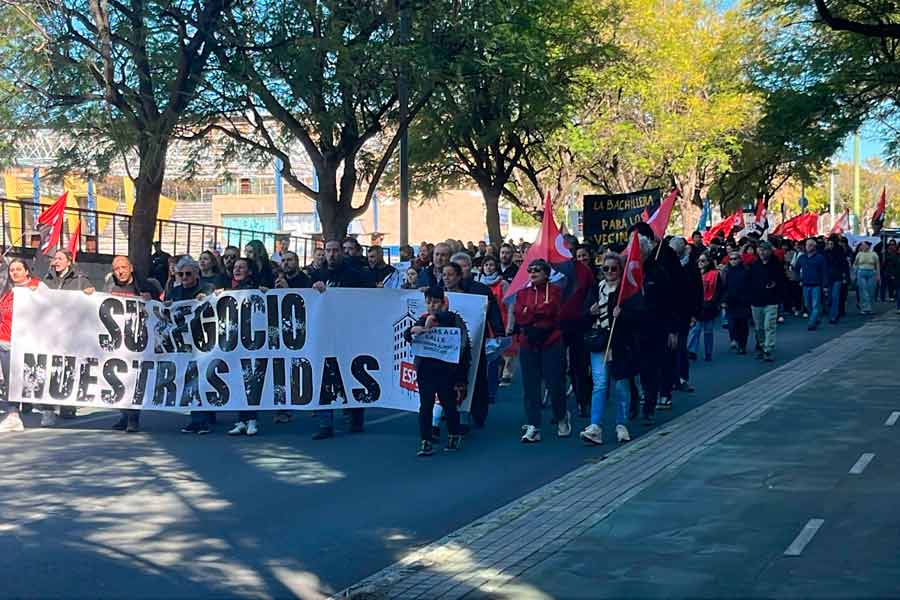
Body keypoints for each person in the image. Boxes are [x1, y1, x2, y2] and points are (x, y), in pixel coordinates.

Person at [309, 239, 372, 440]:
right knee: (323, 376)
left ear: (342, 253)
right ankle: (324, 423)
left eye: (336, 251)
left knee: (352, 374)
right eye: (328, 250)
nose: (332, 254)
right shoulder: (318, 274)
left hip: (349, 333)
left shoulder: (355, 275)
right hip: (324, 334)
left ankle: (356, 417)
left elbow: (369, 299)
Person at [580, 252, 639, 446]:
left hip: (619, 344)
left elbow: (641, 315)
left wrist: (623, 314)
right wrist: (590, 312)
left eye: (614, 268)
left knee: (621, 385)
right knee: (600, 384)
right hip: (600, 342)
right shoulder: (596, 289)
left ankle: (621, 424)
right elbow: (584, 314)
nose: (610, 272)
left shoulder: (627, 291)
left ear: (620, 270)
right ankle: (595, 426)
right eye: (606, 268)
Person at [405, 287, 471, 456]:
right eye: (429, 302)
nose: (432, 306)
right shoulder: (422, 319)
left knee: (448, 404)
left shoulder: (452, 319)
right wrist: (413, 331)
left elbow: (461, 342)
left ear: (443, 303)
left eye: (435, 302)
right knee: (425, 405)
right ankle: (425, 441)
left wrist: (434, 318)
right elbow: (409, 333)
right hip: (425, 369)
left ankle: (453, 434)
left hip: (446, 370)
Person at [104, 256, 164, 432]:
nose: (120, 271)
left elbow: (163, 309)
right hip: (118, 341)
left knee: (135, 378)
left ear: (131, 268)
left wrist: (151, 299)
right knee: (120, 378)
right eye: (116, 269)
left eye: (123, 267)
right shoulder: (110, 287)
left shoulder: (146, 286)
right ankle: (124, 415)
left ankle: (133, 418)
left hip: (140, 341)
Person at [513, 259, 567, 443]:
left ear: (546, 273)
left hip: (551, 341)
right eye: (530, 270)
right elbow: (520, 315)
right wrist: (537, 313)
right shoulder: (522, 293)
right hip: (529, 343)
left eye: (537, 270)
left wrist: (533, 312)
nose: (533, 273)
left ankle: (561, 416)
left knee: (555, 383)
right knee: (530, 386)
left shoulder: (556, 291)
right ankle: (534, 425)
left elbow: (554, 310)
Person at [629, 223, 676, 424]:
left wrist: (672, 330)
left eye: (640, 251)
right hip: (631, 329)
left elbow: (670, 302)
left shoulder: (658, 273)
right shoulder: (627, 273)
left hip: (654, 329)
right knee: (630, 370)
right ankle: (632, 404)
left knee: (650, 370)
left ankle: (648, 407)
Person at [451, 252, 505, 429]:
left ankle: (478, 413)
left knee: (477, 377)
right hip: (451, 345)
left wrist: (498, 332)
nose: (460, 271)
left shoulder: (480, 289)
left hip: (476, 342)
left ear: (469, 268)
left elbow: (493, 313)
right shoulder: (446, 289)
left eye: (463, 267)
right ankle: (453, 412)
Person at [43, 249, 95, 423]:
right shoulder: (47, 279)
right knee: (50, 367)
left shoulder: (81, 280)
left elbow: (91, 301)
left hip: (73, 333)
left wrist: (90, 293)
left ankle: (67, 405)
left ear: (69, 261)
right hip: (51, 332)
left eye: (59, 258)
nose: (55, 262)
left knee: (69, 367)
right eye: (54, 259)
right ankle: (48, 408)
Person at [0, 259, 47, 433]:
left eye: (19, 269)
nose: (15, 273)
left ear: (27, 271)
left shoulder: (38, 286)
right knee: (10, 382)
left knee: (34, 378)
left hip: (29, 343)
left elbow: (56, 307)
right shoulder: (7, 290)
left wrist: (38, 296)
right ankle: (13, 415)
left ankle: (47, 410)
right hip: (5, 343)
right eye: (12, 270)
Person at [226, 258, 264, 436]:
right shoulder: (231, 291)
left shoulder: (257, 289)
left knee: (252, 380)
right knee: (239, 380)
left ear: (249, 271)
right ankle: (240, 420)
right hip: (236, 341)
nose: (237, 270)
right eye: (235, 267)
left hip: (253, 341)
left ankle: (252, 419)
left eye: (241, 267)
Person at [559, 247, 596, 418]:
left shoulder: (584, 271)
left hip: (578, 324)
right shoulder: (553, 269)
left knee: (579, 366)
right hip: (557, 325)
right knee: (557, 368)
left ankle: (583, 402)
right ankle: (559, 408)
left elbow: (590, 295)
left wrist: (586, 315)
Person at [667, 236, 703, 392]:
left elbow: (697, 291)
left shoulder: (691, 267)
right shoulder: (666, 266)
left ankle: (682, 378)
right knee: (669, 348)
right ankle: (671, 378)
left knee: (680, 346)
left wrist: (695, 313)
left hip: (684, 313)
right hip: (668, 312)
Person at [748, 241, 785, 361]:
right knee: (759, 328)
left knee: (769, 326)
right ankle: (762, 346)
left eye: (764, 250)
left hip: (771, 300)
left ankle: (768, 349)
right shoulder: (754, 265)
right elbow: (749, 281)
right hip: (756, 300)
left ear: (770, 251)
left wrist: (775, 286)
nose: (762, 252)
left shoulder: (776, 265)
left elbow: (782, 281)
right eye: (759, 250)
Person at [720, 251, 752, 355]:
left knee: (743, 324)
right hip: (730, 302)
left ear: (739, 259)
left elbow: (750, 285)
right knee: (732, 323)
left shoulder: (746, 270)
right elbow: (722, 287)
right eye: (731, 259)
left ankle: (742, 345)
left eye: (735, 259)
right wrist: (723, 300)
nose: (733, 261)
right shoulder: (726, 271)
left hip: (743, 302)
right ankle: (735, 340)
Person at [693, 253, 724, 361]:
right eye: (699, 261)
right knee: (695, 329)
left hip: (709, 306)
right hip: (697, 306)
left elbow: (719, 290)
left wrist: (714, 303)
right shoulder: (695, 273)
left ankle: (708, 353)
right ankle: (692, 350)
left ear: (708, 262)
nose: (700, 263)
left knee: (708, 331)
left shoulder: (714, 274)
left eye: (703, 261)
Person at [794, 238, 828, 330]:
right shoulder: (802, 258)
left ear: (814, 246)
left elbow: (824, 272)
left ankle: (811, 323)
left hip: (816, 285)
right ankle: (815, 318)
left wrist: (825, 285)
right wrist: (799, 278)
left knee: (815, 305)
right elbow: (796, 269)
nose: (808, 247)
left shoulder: (820, 258)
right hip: (805, 284)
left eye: (810, 245)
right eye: (807, 245)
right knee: (807, 305)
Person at [824, 236, 849, 324]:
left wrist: (845, 277)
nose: (829, 245)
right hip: (828, 278)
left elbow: (844, 265)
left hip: (837, 277)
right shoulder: (825, 253)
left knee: (835, 297)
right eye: (828, 244)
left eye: (831, 244)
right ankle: (833, 312)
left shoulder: (840, 253)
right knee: (830, 298)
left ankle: (833, 316)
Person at [853, 241, 880, 315]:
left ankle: (870, 308)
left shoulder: (874, 254)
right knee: (863, 290)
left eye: (864, 245)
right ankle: (864, 308)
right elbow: (855, 264)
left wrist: (878, 276)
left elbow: (877, 265)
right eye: (862, 245)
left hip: (872, 273)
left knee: (871, 291)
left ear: (868, 246)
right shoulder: (859, 254)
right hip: (861, 272)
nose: (863, 247)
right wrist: (855, 273)